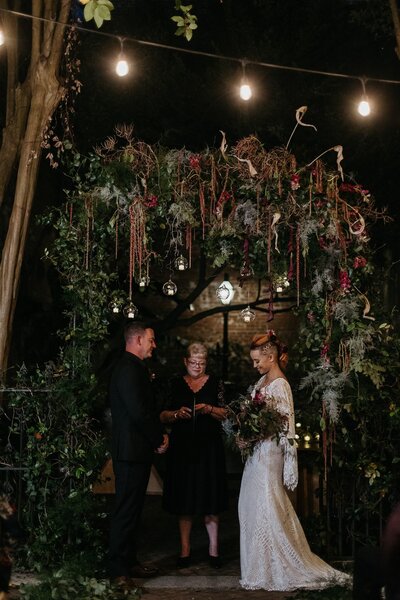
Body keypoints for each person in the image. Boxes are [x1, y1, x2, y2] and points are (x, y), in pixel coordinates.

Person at [238, 331, 350, 591]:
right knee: (250, 504)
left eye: (257, 361)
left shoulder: (280, 384)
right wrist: (244, 430)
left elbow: (282, 425)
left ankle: (275, 566)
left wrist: (252, 434)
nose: (255, 365)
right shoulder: (263, 380)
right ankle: (259, 566)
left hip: (269, 453)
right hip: (257, 451)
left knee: (267, 503)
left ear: (271, 356)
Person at [109, 321, 168, 588]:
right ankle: (119, 572)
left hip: (137, 450)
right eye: (151, 340)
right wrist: (158, 438)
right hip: (131, 450)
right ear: (138, 340)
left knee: (133, 511)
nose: (154, 345)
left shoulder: (134, 368)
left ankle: (130, 562)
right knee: (126, 510)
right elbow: (139, 412)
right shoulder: (127, 369)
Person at [160, 342, 228, 568]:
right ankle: (185, 550)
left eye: (202, 362)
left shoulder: (216, 383)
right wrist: (177, 414)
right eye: (193, 362)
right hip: (183, 449)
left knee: (211, 500)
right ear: (185, 361)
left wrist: (209, 409)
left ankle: (214, 550)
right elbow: (162, 415)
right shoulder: (175, 383)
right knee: (184, 501)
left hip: (209, 449)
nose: (197, 366)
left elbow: (226, 413)